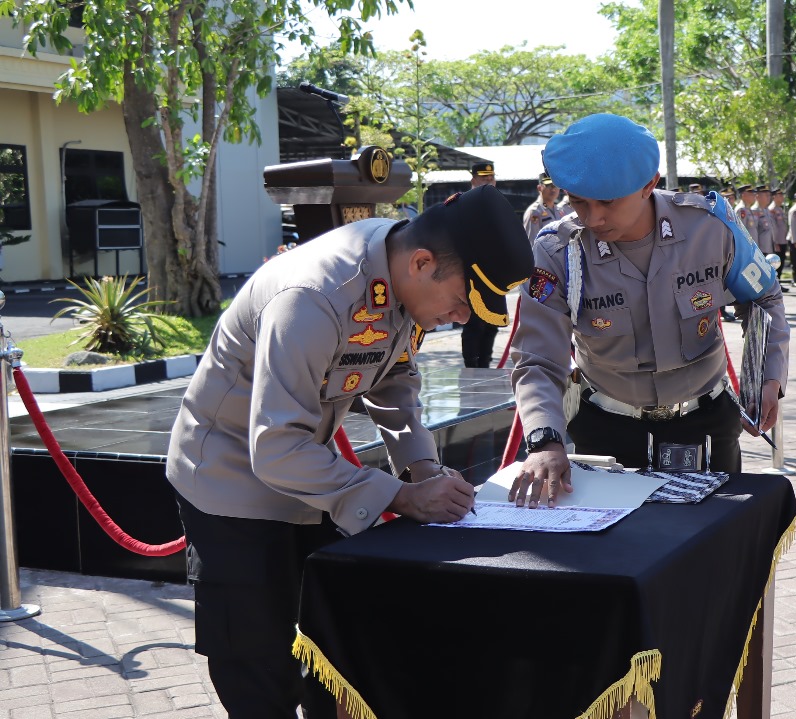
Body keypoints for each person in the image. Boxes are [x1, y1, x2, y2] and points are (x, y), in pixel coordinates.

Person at [168, 185, 534, 718]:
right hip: (231, 482)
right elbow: (275, 449)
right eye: (459, 303)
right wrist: (403, 497)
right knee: (257, 660)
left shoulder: (402, 278)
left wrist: (424, 467)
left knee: (329, 653)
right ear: (424, 262)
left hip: (308, 473)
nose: (458, 319)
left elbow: (394, 383)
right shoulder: (314, 297)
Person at [507, 113, 790, 508]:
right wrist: (545, 440)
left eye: (607, 201)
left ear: (649, 184)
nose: (593, 217)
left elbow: (764, 300)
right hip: (607, 431)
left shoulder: (710, 228)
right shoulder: (558, 251)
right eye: (578, 201)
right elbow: (538, 359)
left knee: (713, 555)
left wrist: (766, 380)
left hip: (705, 424)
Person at [461, 161, 502, 367]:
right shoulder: (462, 204)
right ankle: (471, 366)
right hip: (472, 274)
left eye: (491, 178)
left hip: (495, 274)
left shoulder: (498, 204)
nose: (489, 182)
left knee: (492, 323)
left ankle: (485, 364)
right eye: (484, 178)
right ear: (473, 180)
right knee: (474, 323)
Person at [523, 172, 564, 242]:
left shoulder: (560, 210)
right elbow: (532, 241)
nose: (553, 189)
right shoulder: (534, 211)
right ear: (539, 188)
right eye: (548, 185)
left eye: (555, 186)